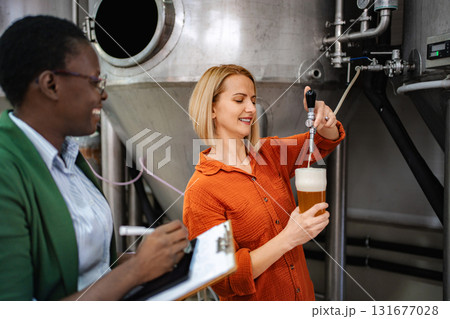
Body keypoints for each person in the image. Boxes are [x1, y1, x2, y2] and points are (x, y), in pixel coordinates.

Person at [0, 15, 188, 301]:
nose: (103, 94)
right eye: (94, 81)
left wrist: (160, 260)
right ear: (51, 85)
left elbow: (92, 269)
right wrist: (135, 271)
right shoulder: (6, 169)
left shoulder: (68, 157)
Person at [183, 64, 345, 301]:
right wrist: (289, 237)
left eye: (253, 99)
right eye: (239, 100)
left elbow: (322, 142)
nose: (251, 108)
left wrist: (325, 121)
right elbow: (223, 280)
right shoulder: (201, 191)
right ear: (211, 109)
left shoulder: (269, 153)